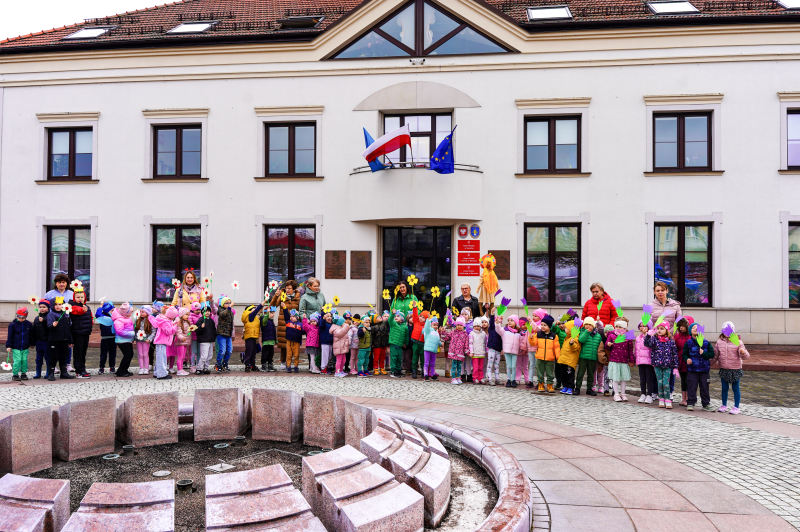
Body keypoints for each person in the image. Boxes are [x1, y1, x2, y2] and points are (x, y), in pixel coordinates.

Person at [714, 321, 750, 415]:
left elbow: (746, 356)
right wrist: (708, 364)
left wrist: (743, 352)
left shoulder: (738, 342)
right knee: (724, 387)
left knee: (735, 388)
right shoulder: (719, 342)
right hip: (724, 368)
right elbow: (715, 356)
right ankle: (724, 405)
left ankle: (736, 407)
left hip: (735, 369)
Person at [44, 273, 75, 373]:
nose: (61, 284)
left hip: (67, 322)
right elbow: (44, 307)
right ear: (56, 283)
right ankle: (54, 366)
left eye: (63, 282)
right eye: (59, 282)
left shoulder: (71, 294)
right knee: (54, 346)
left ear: (67, 283)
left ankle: (67, 364)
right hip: (54, 323)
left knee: (67, 344)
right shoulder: (49, 294)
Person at [644, 322, 679, 408]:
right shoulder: (654, 339)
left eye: (662, 329)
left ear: (666, 330)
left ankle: (667, 399)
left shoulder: (671, 341)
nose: (659, 330)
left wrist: (675, 367)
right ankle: (661, 398)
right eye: (658, 328)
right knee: (659, 383)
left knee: (665, 383)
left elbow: (675, 354)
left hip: (667, 366)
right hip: (657, 365)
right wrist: (648, 336)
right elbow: (647, 344)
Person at [683, 323, 714, 411]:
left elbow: (711, 354)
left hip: (704, 370)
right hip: (692, 369)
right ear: (690, 331)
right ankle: (690, 403)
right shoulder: (688, 343)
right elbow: (684, 354)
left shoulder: (706, 343)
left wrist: (704, 353)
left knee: (704, 387)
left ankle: (706, 404)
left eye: (698, 327)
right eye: (693, 327)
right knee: (692, 387)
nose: (696, 329)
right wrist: (687, 359)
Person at [271, 281, 300, 370]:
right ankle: (283, 361)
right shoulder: (281, 296)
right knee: (284, 343)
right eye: (286, 288)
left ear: (294, 289)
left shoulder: (298, 298)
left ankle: (294, 363)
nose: (287, 290)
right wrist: (275, 296)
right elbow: (272, 307)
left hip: (294, 324)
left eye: (289, 288)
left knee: (294, 343)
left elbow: (300, 310)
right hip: (283, 322)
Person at [605, 317, 635, 402]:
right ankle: (616, 394)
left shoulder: (628, 337)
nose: (618, 328)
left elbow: (630, 349)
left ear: (624, 327)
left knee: (623, 378)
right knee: (615, 378)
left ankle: (623, 393)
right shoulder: (611, 335)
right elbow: (607, 347)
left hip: (624, 360)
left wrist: (631, 360)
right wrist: (608, 344)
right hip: (614, 359)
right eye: (616, 326)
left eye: (620, 327)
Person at [47, 297, 74, 381]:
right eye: (56, 304)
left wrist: (70, 340)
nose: (58, 306)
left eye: (60, 304)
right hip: (55, 340)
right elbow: (49, 326)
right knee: (53, 357)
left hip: (64, 339)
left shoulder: (66, 315)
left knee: (63, 357)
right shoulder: (51, 314)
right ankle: (51, 373)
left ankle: (64, 372)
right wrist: (53, 325)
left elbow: (68, 328)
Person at [531, 315, 560, 393]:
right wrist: (531, 338)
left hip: (550, 358)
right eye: (542, 325)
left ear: (549, 326)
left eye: (545, 325)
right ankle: (541, 384)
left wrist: (557, 356)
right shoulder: (538, 334)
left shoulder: (554, 336)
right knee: (539, 372)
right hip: (539, 357)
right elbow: (533, 343)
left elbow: (557, 347)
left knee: (550, 373)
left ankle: (550, 385)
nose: (543, 327)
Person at [69, 287, 93, 378]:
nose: (80, 299)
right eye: (78, 297)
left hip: (86, 332)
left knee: (83, 352)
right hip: (78, 332)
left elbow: (90, 317)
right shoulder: (72, 306)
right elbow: (77, 311)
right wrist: (82, 310)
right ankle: (79, 371)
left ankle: (83, 368)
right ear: (74, 298)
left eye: (82, 297)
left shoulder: (87, 307)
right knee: (78, 352)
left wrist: (91, 323)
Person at [149, 305, 177, 380]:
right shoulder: (165, 322)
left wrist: (174, 324)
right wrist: (176, 326)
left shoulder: (164, 320)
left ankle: (157, 373)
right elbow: (168, 331)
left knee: (159, 358)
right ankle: (162, 374)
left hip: (161, 342)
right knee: (162, 359)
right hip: (161, 342)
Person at [494, 310, 521, 388]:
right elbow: (498, 329)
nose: (509, 322)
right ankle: (509, 380)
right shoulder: (504, 330)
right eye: (508, 320)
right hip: (507, 351)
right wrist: (497, 323)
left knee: (513, 366)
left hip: (515, 351)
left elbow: (520, 342)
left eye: (511, 320)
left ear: (516, 322)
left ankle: (514, 380)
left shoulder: (518, 332)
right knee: (508, 366)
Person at [575, 317, 601, 396]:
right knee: (580, 373)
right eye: (586, 324)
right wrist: (586, 332)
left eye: (590, 324)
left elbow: (599, 347)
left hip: (593, 358)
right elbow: (581, 340)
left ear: (593, 326)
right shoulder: (582, 332)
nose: (588, 326)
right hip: (583, 357)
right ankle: (577, 388)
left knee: (591, 374)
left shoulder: (598, 335)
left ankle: (589, 389)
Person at [673, 317, 694, 406]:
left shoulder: (690, 337)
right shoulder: (677, 337)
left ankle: (689, 398)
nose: (681, 328)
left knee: (689, 380)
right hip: (680, 360)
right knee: (683, 381)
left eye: (683, 326)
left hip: (689, 360)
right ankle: (684, 399)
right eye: (680, 326)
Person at [6, 307, 31, 381]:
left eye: (23, 318)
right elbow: (10, 336)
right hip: (16, 346)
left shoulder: (28, 324)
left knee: (24, 360)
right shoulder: (12, 325)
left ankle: (23, 373)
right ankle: (15, 374)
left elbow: (31, 334)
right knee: (17, 360)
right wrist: (9, 345)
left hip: (25, 346)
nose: (21, 319)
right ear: (17, 316)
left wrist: (31, 343)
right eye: (19, 317)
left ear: (26, 317)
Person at [442, 317, 469, 385]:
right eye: (458, 325)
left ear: (463, 326)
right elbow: (446, 337)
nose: (459, 326)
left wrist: (467, 351)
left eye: (461, 325)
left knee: (459, 366)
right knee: (454, 366)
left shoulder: (465, 334)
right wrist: (443, 332)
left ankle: (458, 377)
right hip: (453, 353)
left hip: (460, 353)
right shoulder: (453, 332)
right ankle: (453, 378)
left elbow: (466, 344)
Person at [556, 320, 581, 395]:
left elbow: (575, 348)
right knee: (563, 374)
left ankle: (570, 387)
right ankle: (565, 386)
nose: (565, 328)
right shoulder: (567, 337)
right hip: (564, 360)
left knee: (569, 374)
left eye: (566, 328)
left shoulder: (575, 338)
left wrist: (572, 344)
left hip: (570, 361)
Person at [634, 321, 656, 404]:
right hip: (640, 361)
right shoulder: (638, 338)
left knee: (649, 379)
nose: (642, 328)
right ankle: (643, 394)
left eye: (644, 326)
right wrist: (635, 358)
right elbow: (636, 349)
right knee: (642, 379)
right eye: (640, 326)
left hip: (648, 361)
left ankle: (649, 395)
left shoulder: (651, 337)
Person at [30, 300, 51, 379]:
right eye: (40, 307)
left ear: (48, 308)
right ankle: (38, 372)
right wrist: (32, 342)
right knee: (38, 358)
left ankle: (48, 372)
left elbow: (50, 328)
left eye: (44, 307)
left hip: (46, 341)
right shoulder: (37, 318)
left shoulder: (49, 317)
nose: (42, 309)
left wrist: (43, 322)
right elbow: (33, 330)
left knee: (47, 357)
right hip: (38, 342)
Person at [214, 296, 235, 373]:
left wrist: (232, 334)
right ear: (223, 304)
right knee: (222, 351)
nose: (229, 304)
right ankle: (218, 364)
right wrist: (229, 307)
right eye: (227, 303)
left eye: (230, 303)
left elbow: (232, 324)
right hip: (221, 334)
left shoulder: (230, 312)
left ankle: (225, 364)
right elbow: (222, 314)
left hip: (228, 335)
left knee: (229, 350)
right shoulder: (220, 310)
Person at [95, 301, 116, 374]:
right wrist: (100, 306)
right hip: (105, 338)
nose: (113, 311)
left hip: (113, 337)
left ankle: (112, 367)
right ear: (107, 310)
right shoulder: (102, 316)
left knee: (113, 353)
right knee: (103, 354)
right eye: (112, 310)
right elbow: (97, 314)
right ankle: (101, 367)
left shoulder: (114, 316)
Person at [242, 302, 264, 372]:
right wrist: (263, 303)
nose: (254, 309)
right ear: (249, 310)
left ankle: (252, 365)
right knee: (249, 351)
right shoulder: (250, 315)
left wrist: (262, 311)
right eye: (253, 308)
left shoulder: (254, 317)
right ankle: (247, 365)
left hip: (254, 336)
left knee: (253, 352)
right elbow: (256, 311)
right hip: (250, 336)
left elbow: (259, 316)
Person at [195, 304, 217, 374]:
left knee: (210, 355)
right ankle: (199, 368)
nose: (207, 312)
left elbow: (213, 330)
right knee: (204, 356)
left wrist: (214, 337)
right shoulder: (201, 320)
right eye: (205, 311)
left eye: (208, 311)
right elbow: (196, 330)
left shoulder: (211, 320)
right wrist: (201, 327)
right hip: (204, 341)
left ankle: (206, 368)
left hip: (210, 340)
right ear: (202, 312)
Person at [388, 310, 409, 379]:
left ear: (402, 319)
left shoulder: (405, 327)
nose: (396, 317)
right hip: (393, 344)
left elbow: (406, 336)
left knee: (399, 358)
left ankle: (398, 370)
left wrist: (406, 343)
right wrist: (392, 314)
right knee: (393, 358)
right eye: (395, 316)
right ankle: (393, 371)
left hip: (400, 345)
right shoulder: (393, 324)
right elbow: (390, 320)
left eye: (398, 316)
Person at [421, 310, 441, 381]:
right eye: (434, 325)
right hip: (427, 349)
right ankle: (425, 375)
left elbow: (438, 340)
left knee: (432, 363)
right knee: (426, 363)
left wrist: (440, 344)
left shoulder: (437, 333)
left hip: (434, 350)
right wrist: (428, 320)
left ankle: (433, 374)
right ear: (431, 325)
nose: (435, 326)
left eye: (436, 325)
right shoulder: (428, 331)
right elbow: (426, 327)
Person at [282, 306, 303, 373]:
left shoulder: (300, 325)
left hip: (296, 342)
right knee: (289, 355)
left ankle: (296, 366)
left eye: (293, 316)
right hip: (289, 341)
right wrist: (284, 307)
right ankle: (288, 366)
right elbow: (286, 315)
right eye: (291, 316)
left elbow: (304, 332)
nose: (291, 317)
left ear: (297, 317)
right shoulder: (288, 322)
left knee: (296, 355)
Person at [486, 307, 503, 386]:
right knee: (490, 364)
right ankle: (490, 379)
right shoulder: (492, 328)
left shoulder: (501, 330)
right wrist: (492, 313)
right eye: (496, 320)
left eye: (498, 321)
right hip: (492, 349)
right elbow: (491, 321)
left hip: (498, 350)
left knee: (497, 365)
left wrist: (502, 349)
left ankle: (497, 379)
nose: (497, 321)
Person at [409, 306, 428, 379]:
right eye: (421, 316)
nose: (421, 318)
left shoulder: (427, 325)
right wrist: (414, 307)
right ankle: (414, 371)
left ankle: (424, 371)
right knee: (415, 358)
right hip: (415, 343)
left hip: (423, 344)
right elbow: (415, 315)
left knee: (423, 359)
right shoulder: (416, 322)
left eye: (423, 317)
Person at [135, 306, 155, 375]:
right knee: (140, 354)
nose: (141, 313)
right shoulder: (138, 320)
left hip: (146, 340)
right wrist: (135, 337)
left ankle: (146, 368)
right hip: (139, 340)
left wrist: (149, 339)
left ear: (147, 313)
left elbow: (153, 331)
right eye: (140, 311)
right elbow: (135, 330)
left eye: (143, 312)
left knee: (145, 354)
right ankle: (141, 368)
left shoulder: (150, 321)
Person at [469, 317, 487, 384]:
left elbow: (486, 342)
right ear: (473, 326)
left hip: (482, 353)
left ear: (480, 326)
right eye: (475, 326)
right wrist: (471, 352)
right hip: (475, 353)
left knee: (481, 367)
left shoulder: (483, 333)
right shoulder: (471, 334)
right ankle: (475, 378)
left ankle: (481, 378)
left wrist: (487, 350)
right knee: (475, 367)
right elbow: (470, 343)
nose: (476, 327)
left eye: (478, 326)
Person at [371, 311, 390, 375]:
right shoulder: (373, 327)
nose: (380, 318)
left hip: (383, 344)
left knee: (382, 357)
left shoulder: (384, 324)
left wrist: (391, 314)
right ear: (375, 319)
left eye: (380, 317)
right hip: (376, 345)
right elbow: (372, 336)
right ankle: (376, 369)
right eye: (378, 317)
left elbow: (388, 320)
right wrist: (372, 344)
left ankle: (382, 368)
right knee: (376, 358)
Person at [261, 307, 278, 372]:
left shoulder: (271, 321)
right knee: (265, 353)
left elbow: (273, 331)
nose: (273, 314)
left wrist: (275, 340)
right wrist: (267, 313)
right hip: (266, 341)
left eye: (273, 313)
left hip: (271, 341)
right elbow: (264, 320)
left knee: (271, 354)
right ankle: (264, 365)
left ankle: (270, 365)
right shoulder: (264, 319)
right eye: (272, 313)